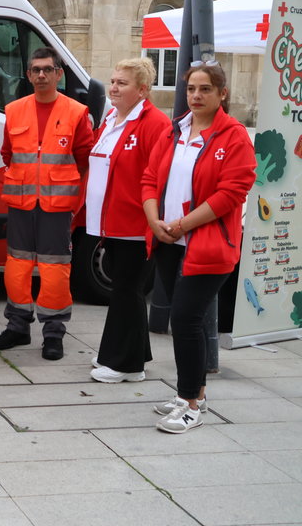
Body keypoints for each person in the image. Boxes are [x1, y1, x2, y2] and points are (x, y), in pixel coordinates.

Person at [141, 61, 255, 434]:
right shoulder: (175, 131)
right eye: (191, 89)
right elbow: (149, 178)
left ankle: (192, 404)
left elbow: (231, 193)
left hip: (207, 245)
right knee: (183, 320)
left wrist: (181, 225)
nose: (196, 96)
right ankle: (189, 394)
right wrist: (155, 221)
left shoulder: (234, 135)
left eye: (205, 89)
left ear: (222, 94)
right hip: (168, 241)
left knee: (186, 320)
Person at [0, 46, 93, 361]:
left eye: (48, 69)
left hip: (56, 207)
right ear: (29, 74)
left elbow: (85, 159)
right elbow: (8, 153)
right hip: (21, 204)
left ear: (59, 74)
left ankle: (53, 334)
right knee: (17, 267)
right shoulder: (15, 109)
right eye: (36, 69)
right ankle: (18, 326)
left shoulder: (76, 112)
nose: (42, 75)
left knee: (54, 270)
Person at [85, 58, 170, 383]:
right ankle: (128, 355)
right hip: (109, 220)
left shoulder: (154, 123)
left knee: (127, 290)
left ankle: (123, 364)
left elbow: (157, 177)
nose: (114, 87)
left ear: (143, 90)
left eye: (123, 83)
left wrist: (151, 218)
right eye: (113, 80)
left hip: (135, 222)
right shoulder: (111, 118)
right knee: (126, 290)